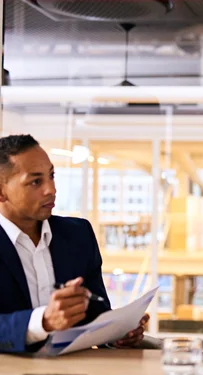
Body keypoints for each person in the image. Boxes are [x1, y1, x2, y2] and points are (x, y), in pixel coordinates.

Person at [0, 134, 148, 353]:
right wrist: (43, 322)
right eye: (35, 181)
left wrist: (118, 333)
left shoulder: (78, 234)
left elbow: (95, 313)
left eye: (51, 176)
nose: (51, 189)